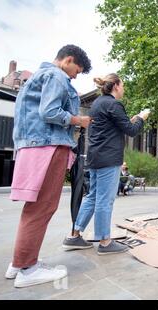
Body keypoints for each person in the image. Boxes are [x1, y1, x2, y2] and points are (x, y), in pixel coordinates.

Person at [6, 45, 92, 288]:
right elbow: (50, 111)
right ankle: (28, 269)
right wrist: (79, 120)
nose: (76, 76)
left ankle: (20, 262)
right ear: (68, 60)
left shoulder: (37, 76)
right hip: (49, 146)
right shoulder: (56, 75)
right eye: (77, 70)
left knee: (34, 207)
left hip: (34, 146)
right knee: (43, 207)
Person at [63, 73, 150, 254]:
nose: (123, 89)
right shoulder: (114, 104)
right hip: (109, 158)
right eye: (123, 85)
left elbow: (115, 126)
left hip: (95, 156)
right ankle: (105, 242)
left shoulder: (98, 103)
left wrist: (130, 120)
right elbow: (132, 131)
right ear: (116, 85)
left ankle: (74, 235)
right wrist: (141, 118)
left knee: (93, 196)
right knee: (105, 199)